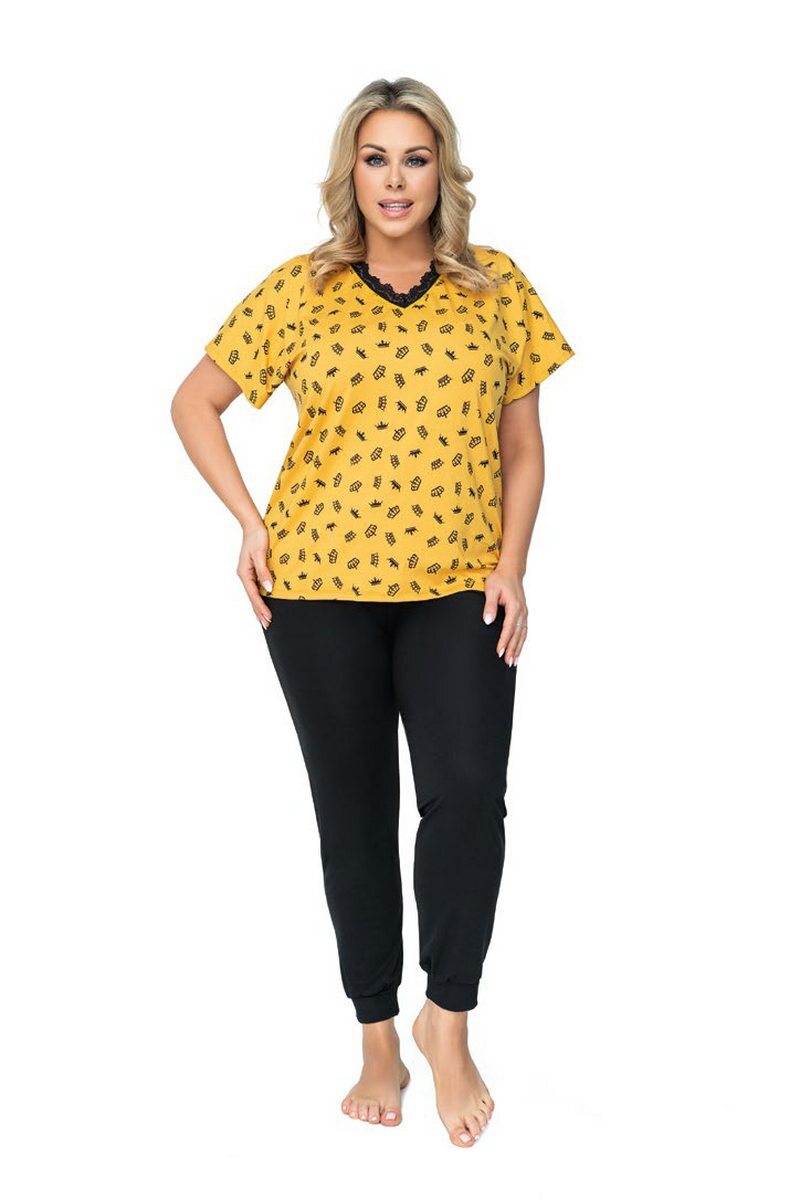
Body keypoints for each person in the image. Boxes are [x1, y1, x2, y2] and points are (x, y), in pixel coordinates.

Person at [171, 76, 574, 1149]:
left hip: (460, 585)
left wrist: (513, 565)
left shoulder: (498, 288)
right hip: (316, 591)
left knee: (467, 798)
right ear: (350, 171)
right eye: (376, 158)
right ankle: (376, 1038)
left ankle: (448, 1020)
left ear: (443, 172)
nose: (395, 180)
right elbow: (194, 401)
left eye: (415, 158)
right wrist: (249, 522)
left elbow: (523, 446)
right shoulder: (301, 287)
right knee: (352, 813)